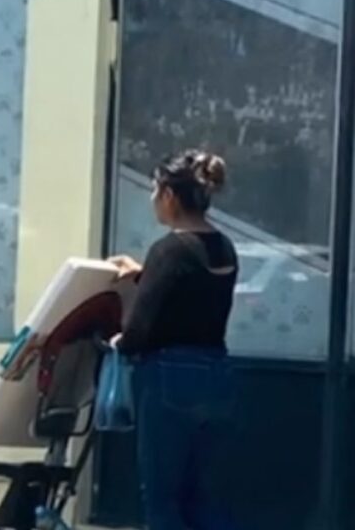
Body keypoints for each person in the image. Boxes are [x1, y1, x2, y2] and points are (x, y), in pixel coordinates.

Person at [107, 150, 238, 530]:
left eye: (153, 188)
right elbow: (192, 287)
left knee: (163, 499)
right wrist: (144, 274)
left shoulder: (168, 250)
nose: (151, 198)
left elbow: (137, 332)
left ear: (168, 194)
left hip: (168, 381)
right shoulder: (224, 247)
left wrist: (117, 340)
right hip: (217, 377)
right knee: (206, 498)